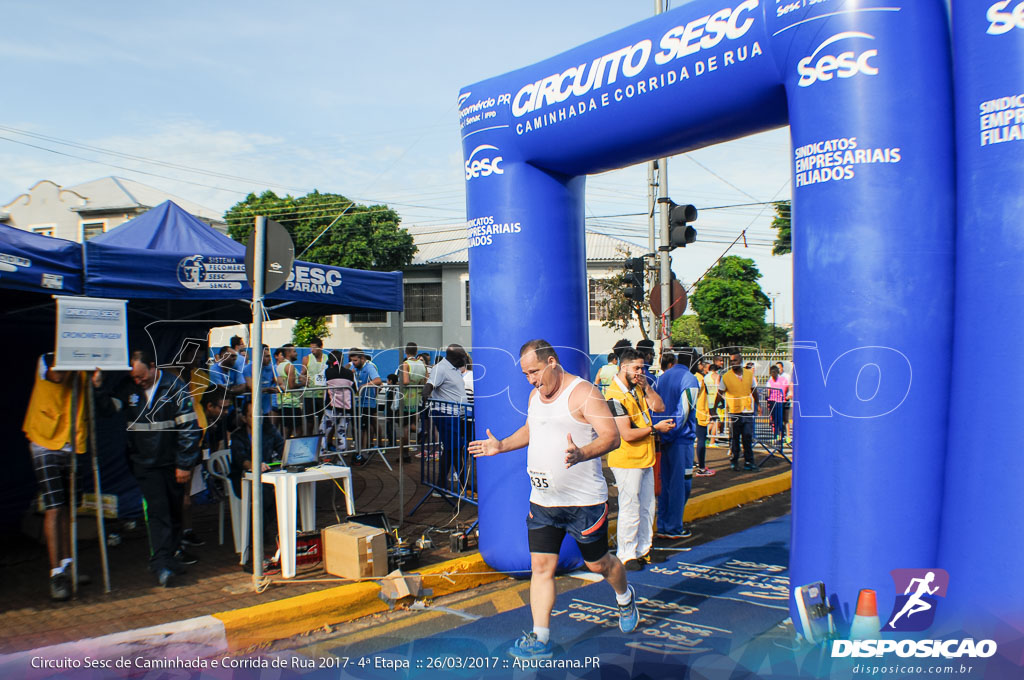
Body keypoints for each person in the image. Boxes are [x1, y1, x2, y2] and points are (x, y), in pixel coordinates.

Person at [469, 339, 640, 660]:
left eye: (534, 371)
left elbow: (612, 437)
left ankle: (624, 595)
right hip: (544, 502)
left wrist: (582, 453)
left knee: (598, 563)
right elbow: (531, 429)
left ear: (551, 362)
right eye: (526, 375)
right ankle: (540, 637)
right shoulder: (536, 396)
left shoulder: (584, 394)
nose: (531, 379)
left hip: (584, 504)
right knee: (541, 568)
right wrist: (501, 445)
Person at [92, 349, 202, 587]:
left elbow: (190, 428)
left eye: (141, 376)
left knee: (174, 512)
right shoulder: (128, 387)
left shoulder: (174, 386)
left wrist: (184, 464)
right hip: (144, 464)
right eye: (135, 378)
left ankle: (170, 557)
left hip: (173, 464)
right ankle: (160, 563)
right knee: (158, 511)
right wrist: (99, 388)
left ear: (153, 366)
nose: (138, 381)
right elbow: (108, 409)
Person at [23, 352, 90, 601]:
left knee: (70, 508)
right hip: (45, 439)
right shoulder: (47, 358)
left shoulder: (85, 360)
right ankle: (56, 573)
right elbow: (58, 375)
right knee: (54, 506)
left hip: (71, 441)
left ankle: (69, 563)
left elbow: (93, 386)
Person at [606, 348, 674, 569]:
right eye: (636, 368)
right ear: (623, 367)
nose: (640, 372)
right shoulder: (614, 396)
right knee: (630, 507)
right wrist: (655, 428)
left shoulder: (637, 388)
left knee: (647, 506)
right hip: (627, 460)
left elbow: (660, 406)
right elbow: (626, 433)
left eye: (642, 368)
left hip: (644, 457)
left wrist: (646, 387)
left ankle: (643, 549)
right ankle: (626, 554)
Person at [653, 349, 700, 540]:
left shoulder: (661, 378)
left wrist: (662, 434)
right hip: (680, 440)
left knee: (666, 485)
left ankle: (664, 524)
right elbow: (685, 411)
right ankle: (673, 527)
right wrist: (671, 433)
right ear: (693, 361)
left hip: (663, 438)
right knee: (682, 484)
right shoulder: (690, 379)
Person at [422, 344, 469, 494]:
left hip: (455, 415)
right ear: (455, 358)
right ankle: (464, 483)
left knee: (451, 449)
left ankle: (441, 484)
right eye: (463, 357)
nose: (465, 360)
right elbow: (428, 386)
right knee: (455, 449)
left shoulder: (454, 370)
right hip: (445, 415)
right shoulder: (440, 368)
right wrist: (426, 399)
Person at [721, 350, 758, 471]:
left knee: (747, 437)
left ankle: (749, 461)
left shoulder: (749, 374)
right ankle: (734, 461)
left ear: (740, 361)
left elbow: (754, 390)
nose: (733, 363)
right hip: (734, 411)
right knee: (734, 438)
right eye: (731, 361)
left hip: (747, 410)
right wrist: (715, 408)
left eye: (735, 360)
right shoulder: (726, 377)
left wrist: (758, 405)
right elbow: (719, 392)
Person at [350, 348, 382, 460]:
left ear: (362, 358)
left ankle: (364, 450)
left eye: (355, 360)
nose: (353, 363)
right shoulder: (355, 367)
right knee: (364, 425)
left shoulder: (369, 367)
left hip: (367, 402)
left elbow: (378, 381)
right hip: (359, 402)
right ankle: (367, 447)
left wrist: (365, 385)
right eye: (352, 360)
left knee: (366, 426)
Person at [321, 350, 354, 455]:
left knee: (323, 431)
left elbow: (322, 385)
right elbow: (355, 389)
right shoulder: (349, 373)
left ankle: (321, 453)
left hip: (331, 407)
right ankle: (341, 457)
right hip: (346, 408)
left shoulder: (327, 372)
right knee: (342, 433)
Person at [399, 343, 427, 455]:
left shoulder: (405, 364)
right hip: (417, 398)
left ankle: (404, 453)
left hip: (406, 397)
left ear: (406, 352)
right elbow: (426, 381)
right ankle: (420, 432)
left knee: (404, 426)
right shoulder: (422, 364)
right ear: (416, 352)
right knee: (411, 423)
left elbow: (405, 381)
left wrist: (399, 382)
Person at [693, 359, 716, 477]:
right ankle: (701, 467)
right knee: (702, 439)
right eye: (701, 363)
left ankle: (694, 464)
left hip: (695, 413)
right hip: (699, 413)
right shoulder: (699, 378)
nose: (703, 366)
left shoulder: (693, 377)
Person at [275, 344, 303, 438]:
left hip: (283, 402)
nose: (296, 353)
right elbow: (291, 386)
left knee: (287, 430)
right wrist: (303, 383)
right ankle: (290, 451)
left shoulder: (280, 366)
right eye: (294, 351)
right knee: (298, 430)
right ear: (288, 353)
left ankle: (283, 450)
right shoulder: (290, 366)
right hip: (291, 402)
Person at [302, 338, 328, 436]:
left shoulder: (327, 358)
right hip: (310, 394)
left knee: (322, 420)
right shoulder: (307, 358)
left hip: (323, 394)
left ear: (321, 347)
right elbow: (302, 373)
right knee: (310, 421)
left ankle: (321, 441)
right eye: (311, 348)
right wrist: (303, 379)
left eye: (314, 348)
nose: (312, 350)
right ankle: (309, 439)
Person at [766, 364, 790, 446]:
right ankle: (776, 436)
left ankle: (780, 436)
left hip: (781, 402)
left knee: (781, 420)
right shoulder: (770, 381)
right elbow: (768, 392)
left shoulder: (783, 380)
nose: (773, 375)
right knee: (775, 421)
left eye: (774, 373)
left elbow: (787, 388)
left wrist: (787, 396)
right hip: (773, 402)